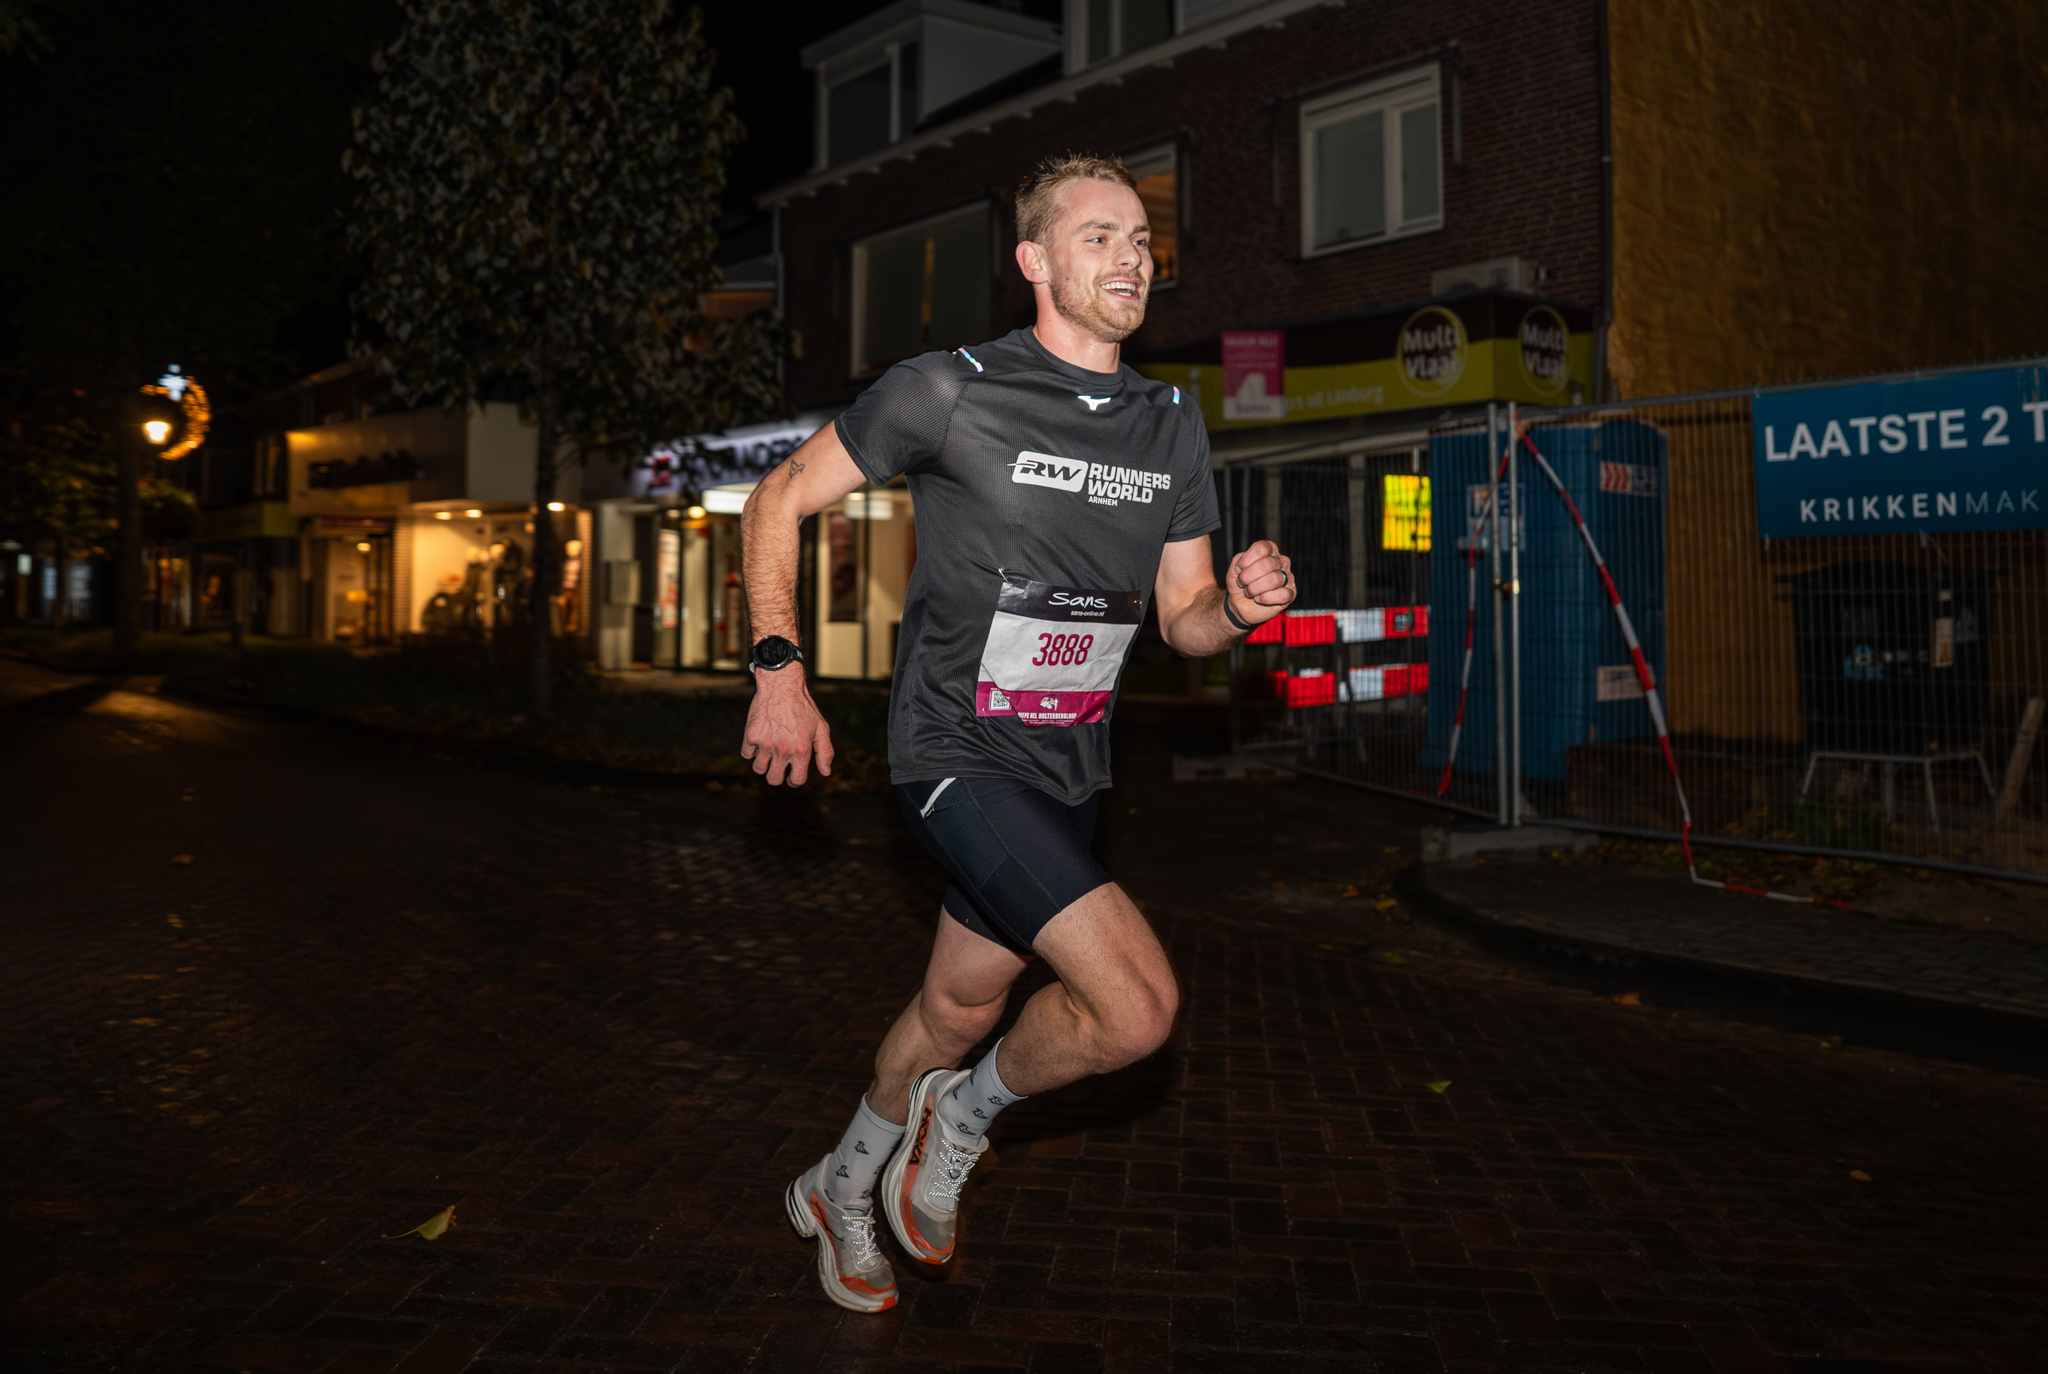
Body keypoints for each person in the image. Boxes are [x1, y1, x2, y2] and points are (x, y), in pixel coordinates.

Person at [739, 153, 1296, 1313]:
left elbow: (1183, 619)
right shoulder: (947, 390)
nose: (1130, 258)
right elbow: (778, 495)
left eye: (1140, 240)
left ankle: (841, 1182)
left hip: (1070, 772)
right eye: (1099, 237)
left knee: (958, 1009)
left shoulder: (1168, 423)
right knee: (1135, 1010)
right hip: (953, 753)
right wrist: (778, 669)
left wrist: (1237, 610)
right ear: (1034, 261)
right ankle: (963, 1116)